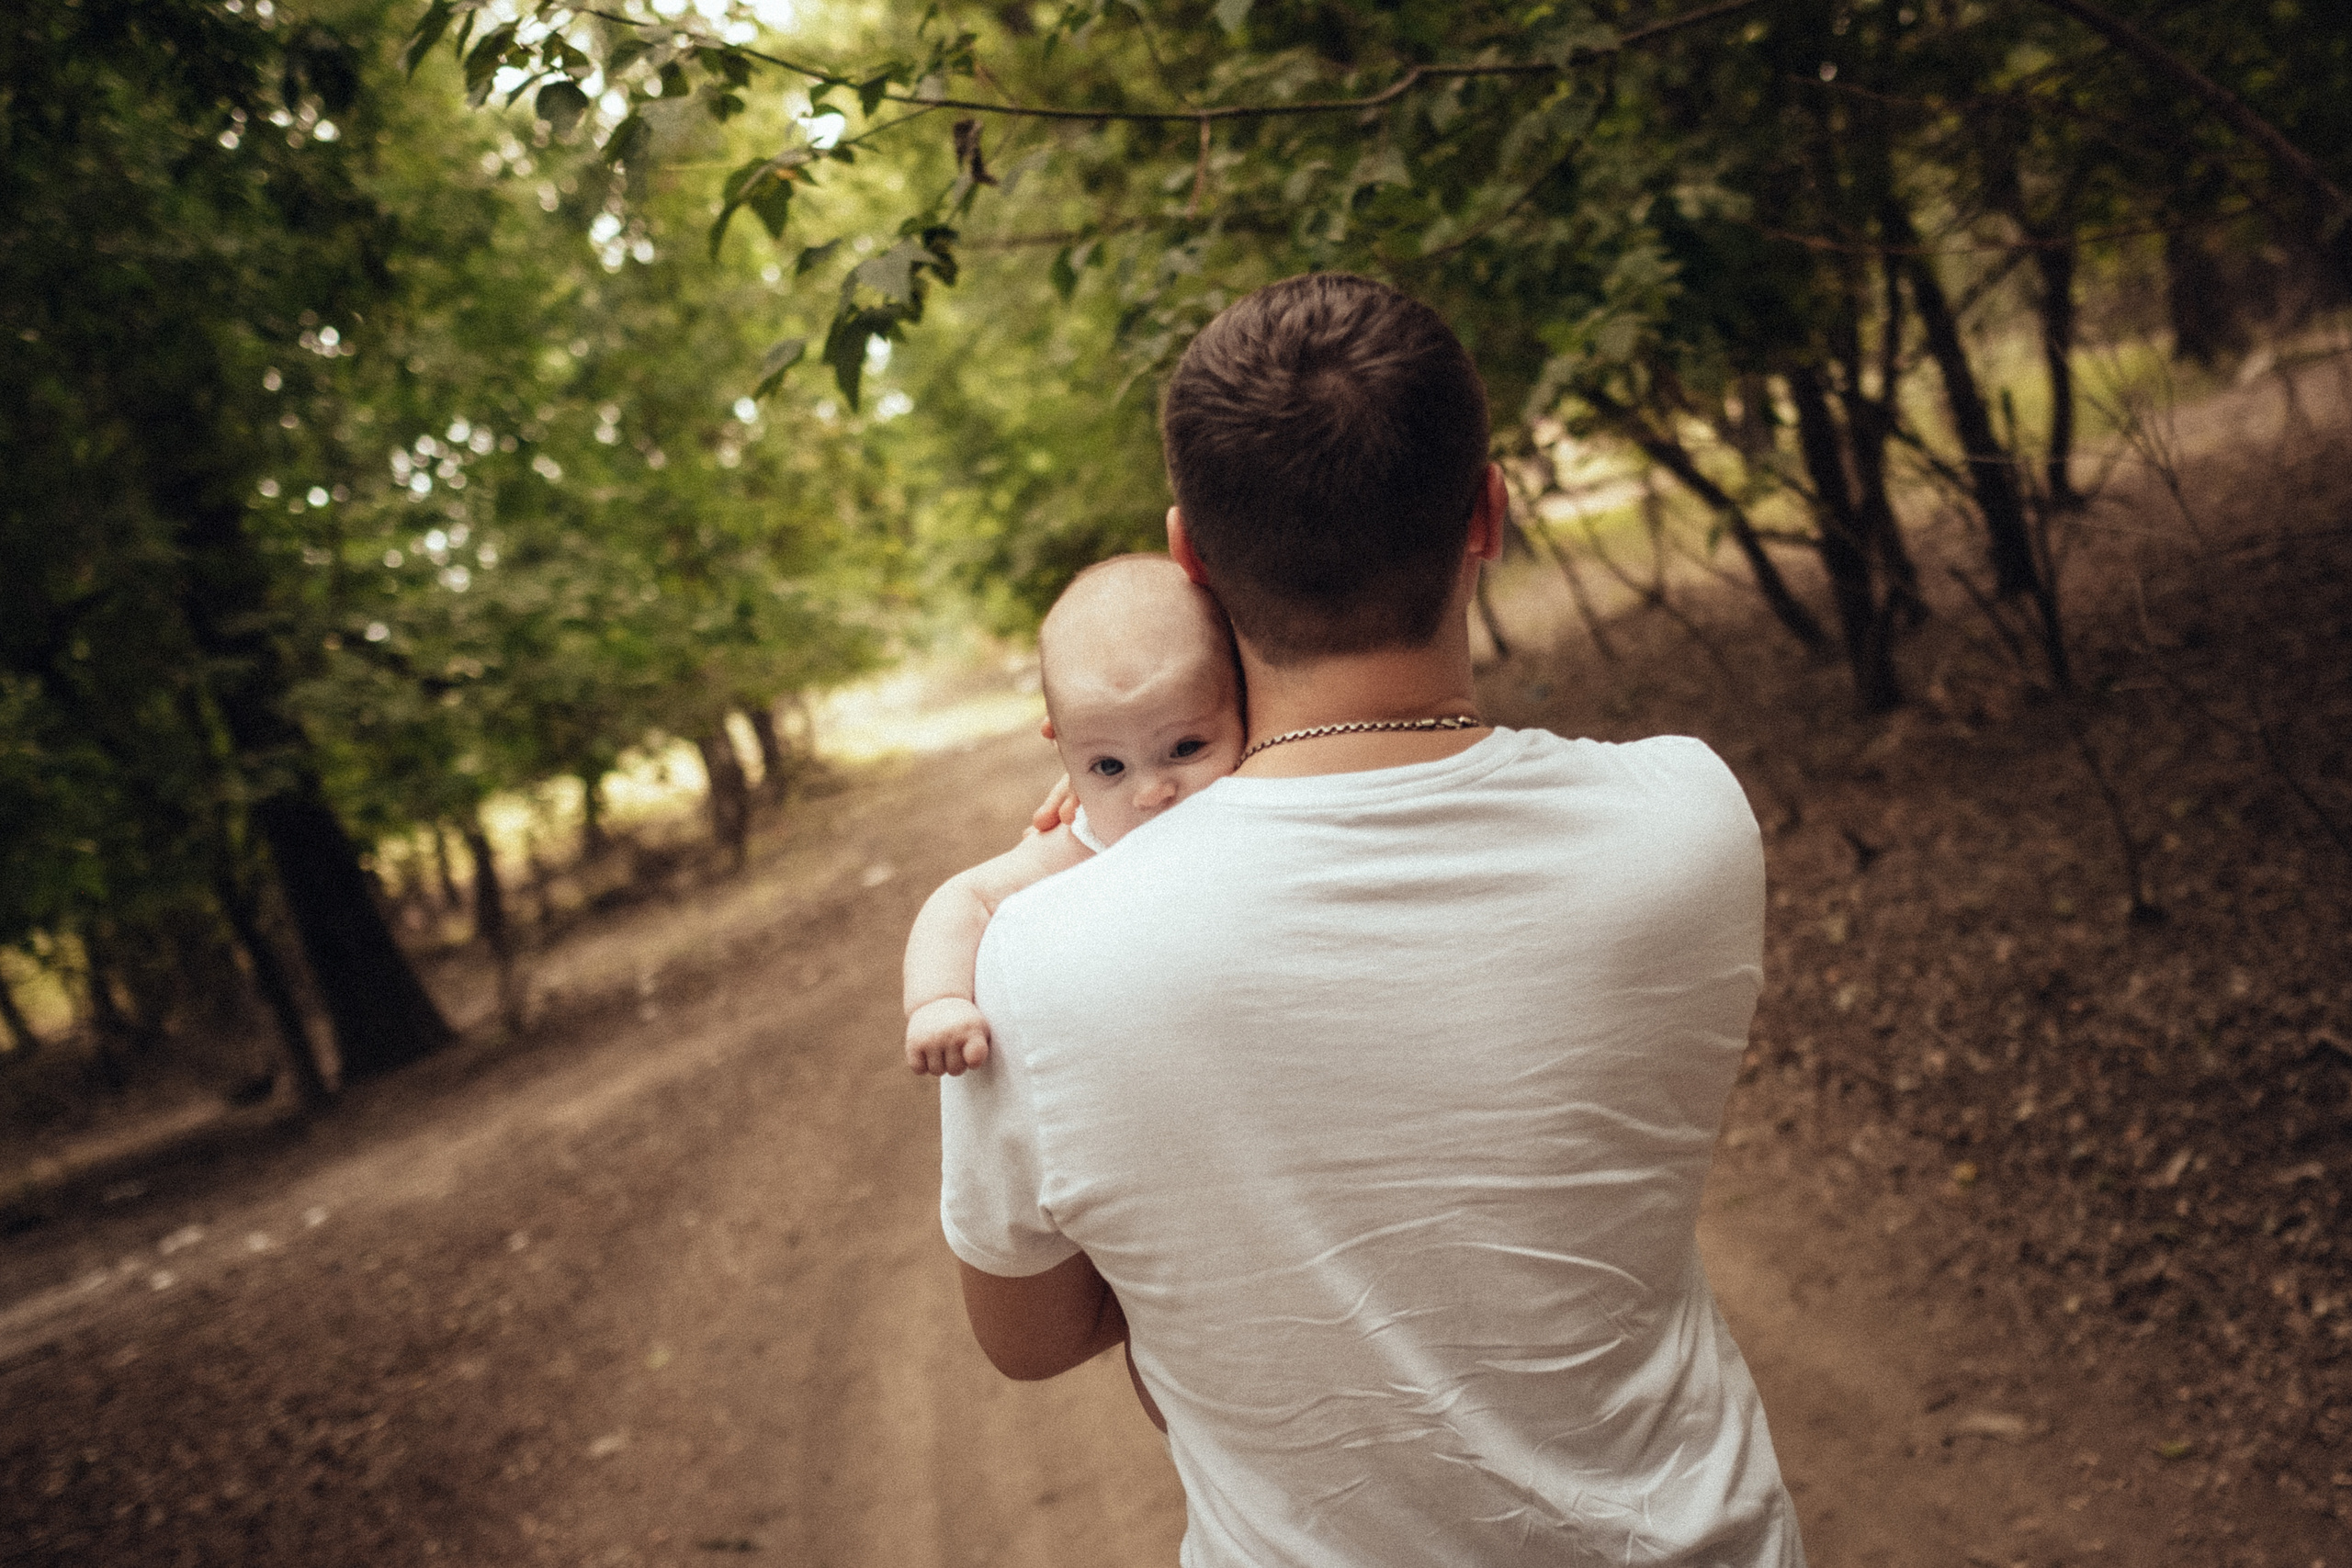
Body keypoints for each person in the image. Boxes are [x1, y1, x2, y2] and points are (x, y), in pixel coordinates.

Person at [938, 273, 1805, 1565]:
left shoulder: (1042, 955)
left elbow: (1033, 1337)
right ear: (1490, 511)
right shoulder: (1688, 817)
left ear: (1191, 554)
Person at [902, 553, 1246, 1077]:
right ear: (1061, 748)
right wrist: (937, 1001)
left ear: (1249, 707)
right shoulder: (1081, 839)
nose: (1151, 791)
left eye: (1186, 747)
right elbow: (965, 897)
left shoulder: (1269, 778)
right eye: (1109, 765)